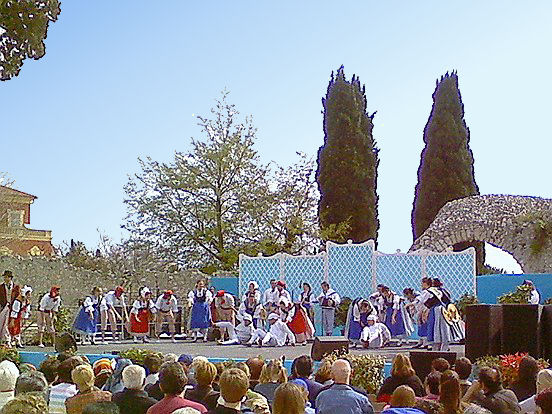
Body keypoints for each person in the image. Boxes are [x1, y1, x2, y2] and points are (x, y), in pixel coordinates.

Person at [425, 278, 463, 352]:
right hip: (446, 311)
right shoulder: (444, 291)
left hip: (439, 312)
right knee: (444, 333)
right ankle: (442, 350)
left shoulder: (431, 292)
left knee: (439, 332)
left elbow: (425, 302)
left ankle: (441, 351)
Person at [0, 270, 18, 345]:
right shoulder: (1, 287)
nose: (5, 278)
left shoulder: (15, 287)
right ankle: (5, 339)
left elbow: (17, 297)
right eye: (4, 277)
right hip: (4, 307)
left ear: (10, 278)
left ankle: (11, 339)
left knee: (12, 323)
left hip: (13, 307)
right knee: (2, 322)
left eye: (6, 277)